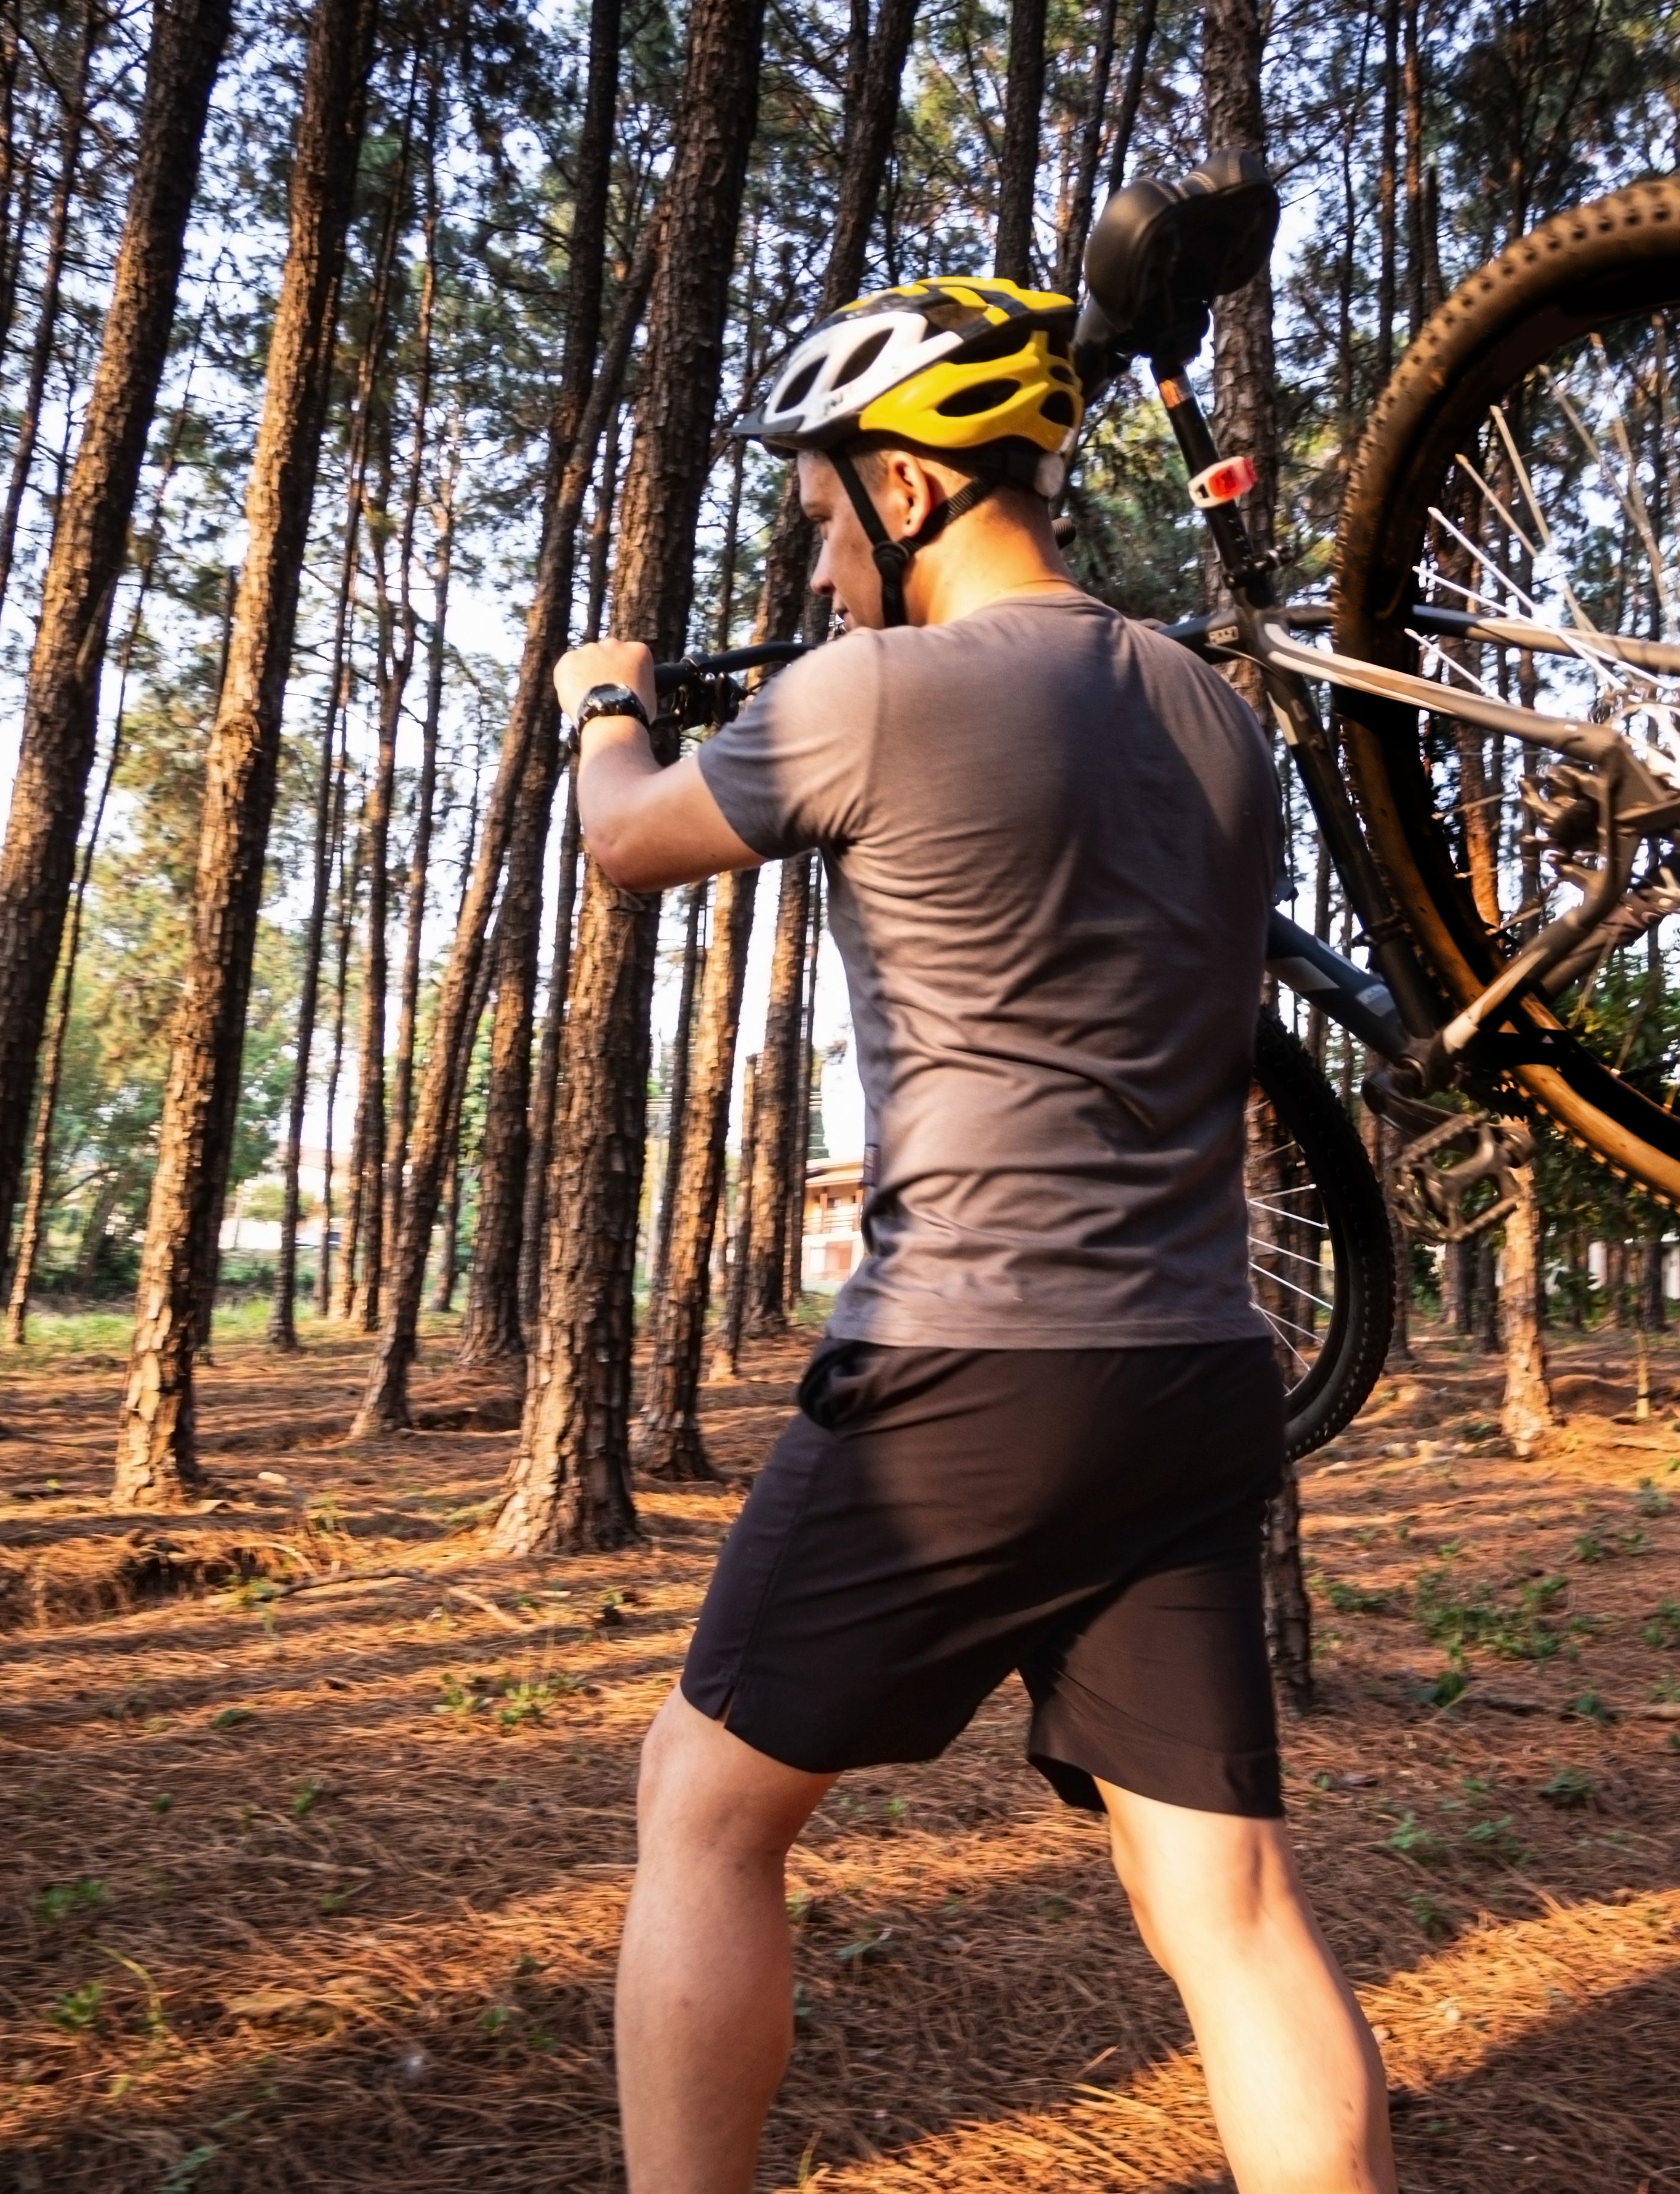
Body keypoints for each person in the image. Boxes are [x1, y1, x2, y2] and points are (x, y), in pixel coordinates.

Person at [551, 275, 1396, 2194]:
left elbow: (626, 841)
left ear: (913, 485)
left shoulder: (872, 695)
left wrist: (606, 704)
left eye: (825, 513)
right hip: (1197, 1371)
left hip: (972, 1362)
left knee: (703, 1809)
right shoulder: (1212, 714)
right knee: (1227, 1901)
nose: (818, 559)